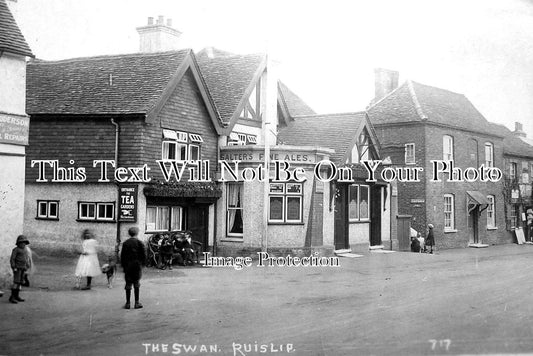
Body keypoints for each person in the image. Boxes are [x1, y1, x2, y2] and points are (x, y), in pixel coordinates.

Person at [120, 227, 146, 309]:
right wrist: (143, 264)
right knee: (136, 283)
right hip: (136, 266)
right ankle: (137, 302)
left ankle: (127, 303)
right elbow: (143, 255)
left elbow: (122, 256)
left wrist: (123, 266)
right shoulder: (139, 243)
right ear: (137, 233)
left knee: (128, 284)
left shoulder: (125, 243)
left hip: (128, 266)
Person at [9, 235, 31, 304]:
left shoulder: (25, 250)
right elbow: (12, 259)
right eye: (21, 243)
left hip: (23, 268)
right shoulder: (16, 250)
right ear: (18, 243)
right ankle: (12, 297)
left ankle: (17, 296)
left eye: (24, 243)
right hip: (17, 268)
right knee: (16, 282)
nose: (23, 244)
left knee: (20, 282)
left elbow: (26, 258)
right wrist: (13, 266)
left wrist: (27, 264)